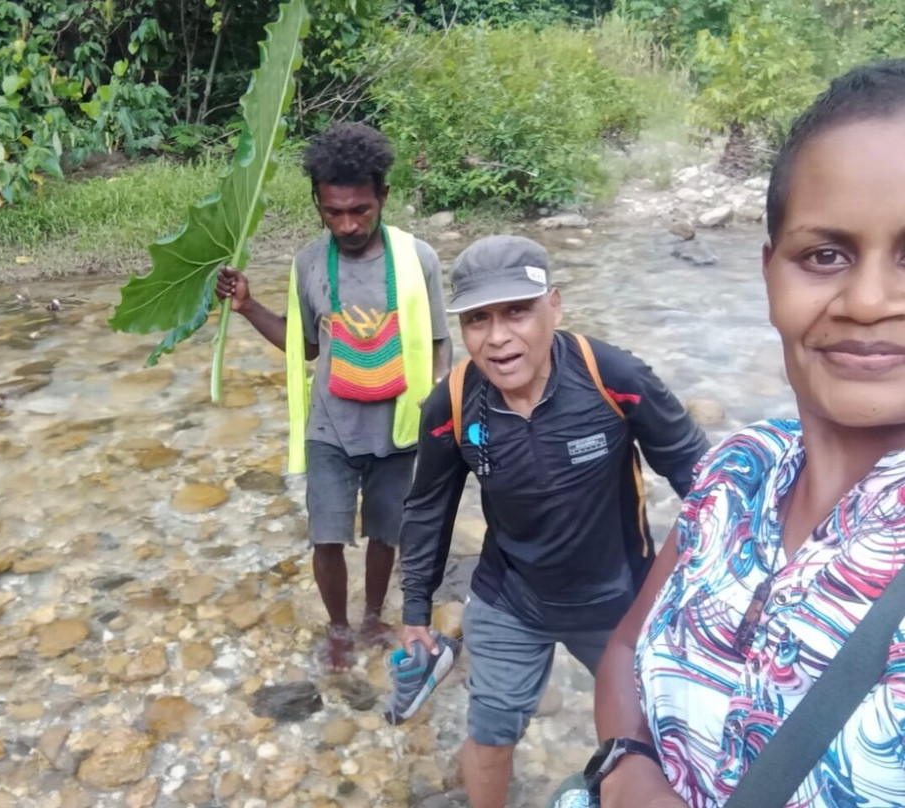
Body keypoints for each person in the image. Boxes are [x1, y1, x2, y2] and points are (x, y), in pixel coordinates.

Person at [578, 58, 905, 808]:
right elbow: (626, 644)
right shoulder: (738, 470)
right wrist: (626, 769)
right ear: (770, 274)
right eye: (825, 255)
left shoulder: (608, 370)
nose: (867, 300)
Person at [397, 234, 708, 808]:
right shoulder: (455, 401)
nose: (497, 337)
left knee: (657, 744)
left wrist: (730, 581)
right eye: (477, 319)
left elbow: (699, 475)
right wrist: (415, 609)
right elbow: (427, 507)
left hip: (619, 604)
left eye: (518, 311)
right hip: (509, 598)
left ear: (555, 307)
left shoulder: (612, 376)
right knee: (490, 733)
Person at [216, 121, 451, 670]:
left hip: (399, 427)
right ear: (317, 204)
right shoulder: (307, 263)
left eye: (360, 210)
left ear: (383, 197)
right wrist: (249, 307)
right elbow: (305, 348)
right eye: (334, 212)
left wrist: (440, 420)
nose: (347, 224)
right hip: (331, 428)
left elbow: (440, 347)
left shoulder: (419, 260)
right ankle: (340, 629)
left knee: (385, 534)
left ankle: (373, 616)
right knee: (327, 536)